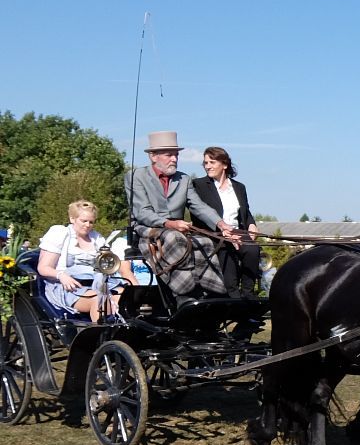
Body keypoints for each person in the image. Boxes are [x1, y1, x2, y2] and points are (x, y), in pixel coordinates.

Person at [125, 130, 231, 297]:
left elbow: (199, 206)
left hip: (176, 227)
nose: (174, 159)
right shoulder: (136, 177)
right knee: (174, 238)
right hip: (147, 227)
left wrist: (220, 223)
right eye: (169, 155)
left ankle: (212, 291)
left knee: (205, 242)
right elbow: (142, 212)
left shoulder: (184, 179)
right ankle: (183, 293)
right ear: (153, 156)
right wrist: (169, 224)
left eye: (176, 155)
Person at [37, 201, 138, 322]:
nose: (88, 225)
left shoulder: (96, 238)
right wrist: (61, 275)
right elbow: (43, 268)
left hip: (97, 283)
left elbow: (106, 266)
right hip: (68, 286)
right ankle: (102, 336)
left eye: (91, 222)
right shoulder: (60, 234)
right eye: (84, 221)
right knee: (100, 300)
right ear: (72, 219)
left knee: (127, 297)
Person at [191, 146, 262, 297]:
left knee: (253, 250)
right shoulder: (199, 185)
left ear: (224, 164)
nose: (207, 166)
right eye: (205, 163)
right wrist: (223, 233)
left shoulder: (239, 187)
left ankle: (248, 294)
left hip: (237, 231)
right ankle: (234, 301)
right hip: (214, 234)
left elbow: (245, 212)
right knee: (229, 269)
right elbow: (199, 213)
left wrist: (252, 224)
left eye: (212, 162)